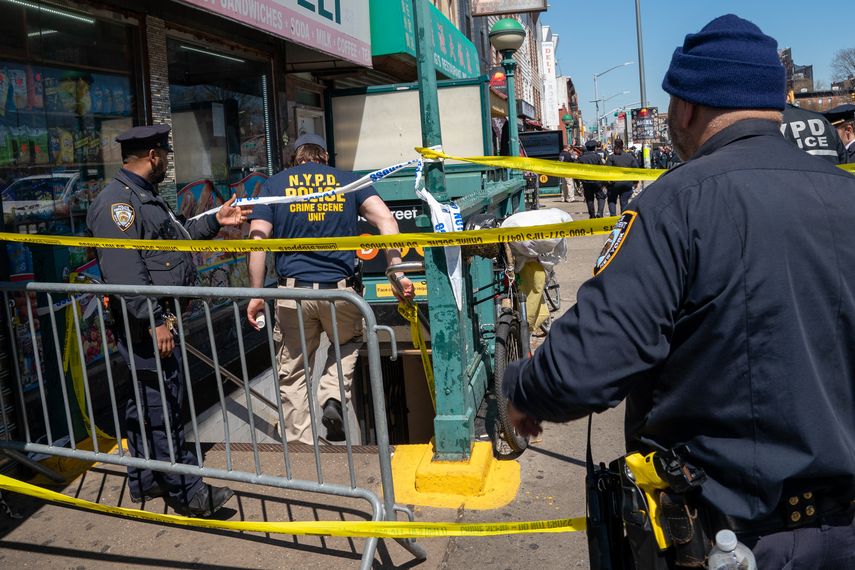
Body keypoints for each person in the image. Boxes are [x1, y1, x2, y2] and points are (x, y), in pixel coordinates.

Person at [502, 15, 855, 569]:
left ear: (686, 108)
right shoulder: (846, 193)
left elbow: (585, 364)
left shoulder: (675, 205)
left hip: (731, 536)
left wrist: (522, 388)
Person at [87, 125, 249, 517]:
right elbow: (127, 271)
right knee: (160, 403)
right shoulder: (118, 205)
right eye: (164, 154)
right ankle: (189, 493)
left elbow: (175, 238)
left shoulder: (145, 198)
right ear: (152, 156)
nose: (166, 161)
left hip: (156, 317)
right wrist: (155, 319)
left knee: (146, 399)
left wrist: (216, 222)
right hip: (145, 321)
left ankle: (146, 478)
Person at [246, 134, 414, 444]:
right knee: (347, 343)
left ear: (297, 157)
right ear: (324, 156)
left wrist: (256, 294)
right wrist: (396, 271)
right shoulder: (348, 181)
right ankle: (333, 396)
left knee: (294, 370)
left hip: (292, 295)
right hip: (340, 292)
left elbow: (258, 241)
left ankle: (301, 450)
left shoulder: (273, 185)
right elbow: (387, 219)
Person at [781, 94, 846, 164]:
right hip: (831, 173)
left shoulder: (772, 122)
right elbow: (844, 159)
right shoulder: (822, 119)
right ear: (787, 96)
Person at [604, 139, 639, 215]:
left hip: (614, 184)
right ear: (623, 146)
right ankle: (623, 219)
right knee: (624, 202)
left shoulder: (611, 157)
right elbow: (636, 169)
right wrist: (636, 182)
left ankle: (613, 217)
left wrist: (606, 183)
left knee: (612, 200)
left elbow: (607, 171)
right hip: (627, 183)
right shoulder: (630, 157)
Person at [577, 139, 606, 218]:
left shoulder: (581, 158)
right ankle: (600, 212)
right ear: (594, 148)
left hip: (586, 181)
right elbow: (602, 168)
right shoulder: (597, 157)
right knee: (601, 197)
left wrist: (578, 181)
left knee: (589, 199)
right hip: (597, 181)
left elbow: (576, 169)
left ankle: (592, 215)